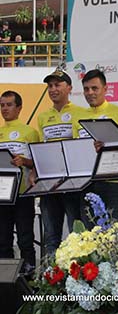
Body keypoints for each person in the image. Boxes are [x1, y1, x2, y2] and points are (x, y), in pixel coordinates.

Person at [36, 69, 86, 255]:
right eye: (50, 86)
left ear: (69, 88)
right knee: (51, 236)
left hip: (73, 181)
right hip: (49, 183)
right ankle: (51, 278)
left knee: (76, 234)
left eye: (58, 85)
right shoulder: (42, 117)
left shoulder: (81, 112)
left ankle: (76, 277)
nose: (53, 89)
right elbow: (41, 148)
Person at [76, 69, 118, 228]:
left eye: (95, 88)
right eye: (86, 89)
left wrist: (107, 147)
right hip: (86, 183)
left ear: (106, 89)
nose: (90, 93)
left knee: (113, 235)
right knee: (89, 236)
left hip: (113, 182)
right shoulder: (78, 116)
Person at [0, 91, 39, 276]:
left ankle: (29, 279)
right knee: (3, 240)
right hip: (2, 195)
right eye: (2, 105)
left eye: (9, 104)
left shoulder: (30, 132)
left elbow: (38, 163)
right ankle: (6, 282)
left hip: (23, 193)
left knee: (25, 239)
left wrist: (24, 161)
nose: (5, 108)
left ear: (19, 108)